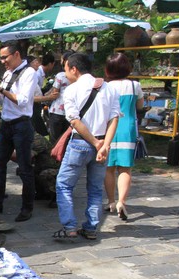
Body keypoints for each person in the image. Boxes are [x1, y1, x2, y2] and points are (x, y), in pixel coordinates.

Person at [52, 53, 119, 241]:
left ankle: (70, 227)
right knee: (96, 189)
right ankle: (91, 228)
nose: (65, 73)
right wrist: (104, 145)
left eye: (66, 69)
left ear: (74, 69)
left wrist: (97, 143)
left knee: (64, 185)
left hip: (80, 143)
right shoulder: (110, 89)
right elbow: (114, 119)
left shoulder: (71, 90)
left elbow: (75, 121)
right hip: (101, 144)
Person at [0, 41, 39, 223]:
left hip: (22, 124)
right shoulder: (7, 73)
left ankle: (27, 207)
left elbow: (21, 100)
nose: (3, 61)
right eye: (1, 57)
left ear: (16, 55)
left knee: (24, 167)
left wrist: (1, 89)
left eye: (5, 57)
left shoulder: (29, 73)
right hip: (6, 124)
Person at [103, 52, 144, 221]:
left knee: (109, 167)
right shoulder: (135, 85)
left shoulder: (105, 87)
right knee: (125, 168)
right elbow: (140, 106)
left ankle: (111, 202)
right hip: (128, 129)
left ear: (108, 69)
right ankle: (122, 202)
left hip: (109, 129)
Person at [35, 51, 74, 143]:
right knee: (66, 139)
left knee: (54, 139)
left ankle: (54, 156)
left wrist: (44, 97)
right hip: (71, 111)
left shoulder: (61, 75)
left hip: (57, 111)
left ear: (65, 62)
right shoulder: (78, 76)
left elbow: (54, 92)